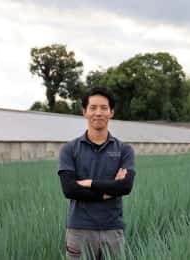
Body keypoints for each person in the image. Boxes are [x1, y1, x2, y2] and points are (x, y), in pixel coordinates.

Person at [58, 87, 136, 260]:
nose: (98, 113)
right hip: (79, 230)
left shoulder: (124, 150)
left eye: (103, 108)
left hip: (113, 229)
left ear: (111, 112)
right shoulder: (69, 149)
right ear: (84, 112)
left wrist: (90, 183)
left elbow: (125, 186)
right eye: (93, 108)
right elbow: (70, 190)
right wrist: (107, 193)